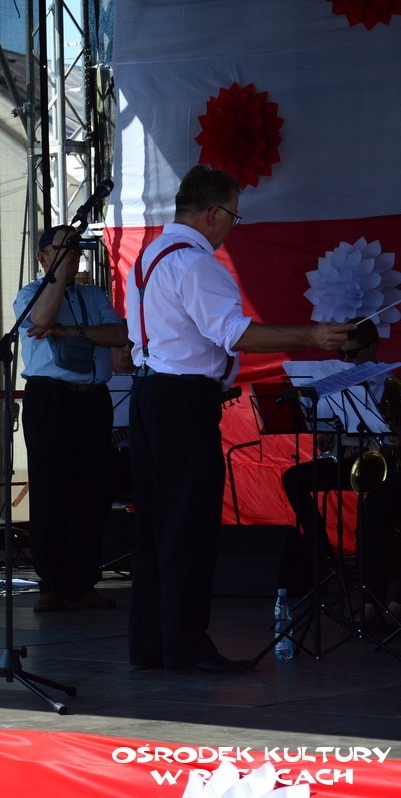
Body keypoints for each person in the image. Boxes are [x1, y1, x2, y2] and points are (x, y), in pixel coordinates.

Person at [125, 165, 352, 673]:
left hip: (150, 396)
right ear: (212, 213)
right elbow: (235, 332)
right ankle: (184, 645)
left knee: (156, 527)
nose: (232, 224)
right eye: (232, 214)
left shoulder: (148, 258)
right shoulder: (194, 264)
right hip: (181, 400)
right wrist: (311, 336)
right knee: (188, 526)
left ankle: (152, 643)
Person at [15, 225, 128, 613]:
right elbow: (42, 319)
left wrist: (72, 330)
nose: (73, 255)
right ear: (43, 257)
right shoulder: (30, 293)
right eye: (63, 249)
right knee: (51, 490)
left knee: (92, 491)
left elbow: (118, 334)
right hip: (51, 397)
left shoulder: (93, 295)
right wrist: (58, 277)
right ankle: (52, 583)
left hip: (92, 399)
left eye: (75, 249)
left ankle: (84, 581)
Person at [280, 319, 401, 622]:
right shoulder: (337, 382)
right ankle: (322, 552)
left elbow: (393, 437)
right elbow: (336, 427)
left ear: (373, 348)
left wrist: (376, 448)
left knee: (377, 506)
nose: (346, 360)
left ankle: (380, 596)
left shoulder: (391, 384)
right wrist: (327, 435)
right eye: (342, 354)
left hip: (379, 464)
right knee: (294, 478)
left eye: (352, 354)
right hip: (348, 461)